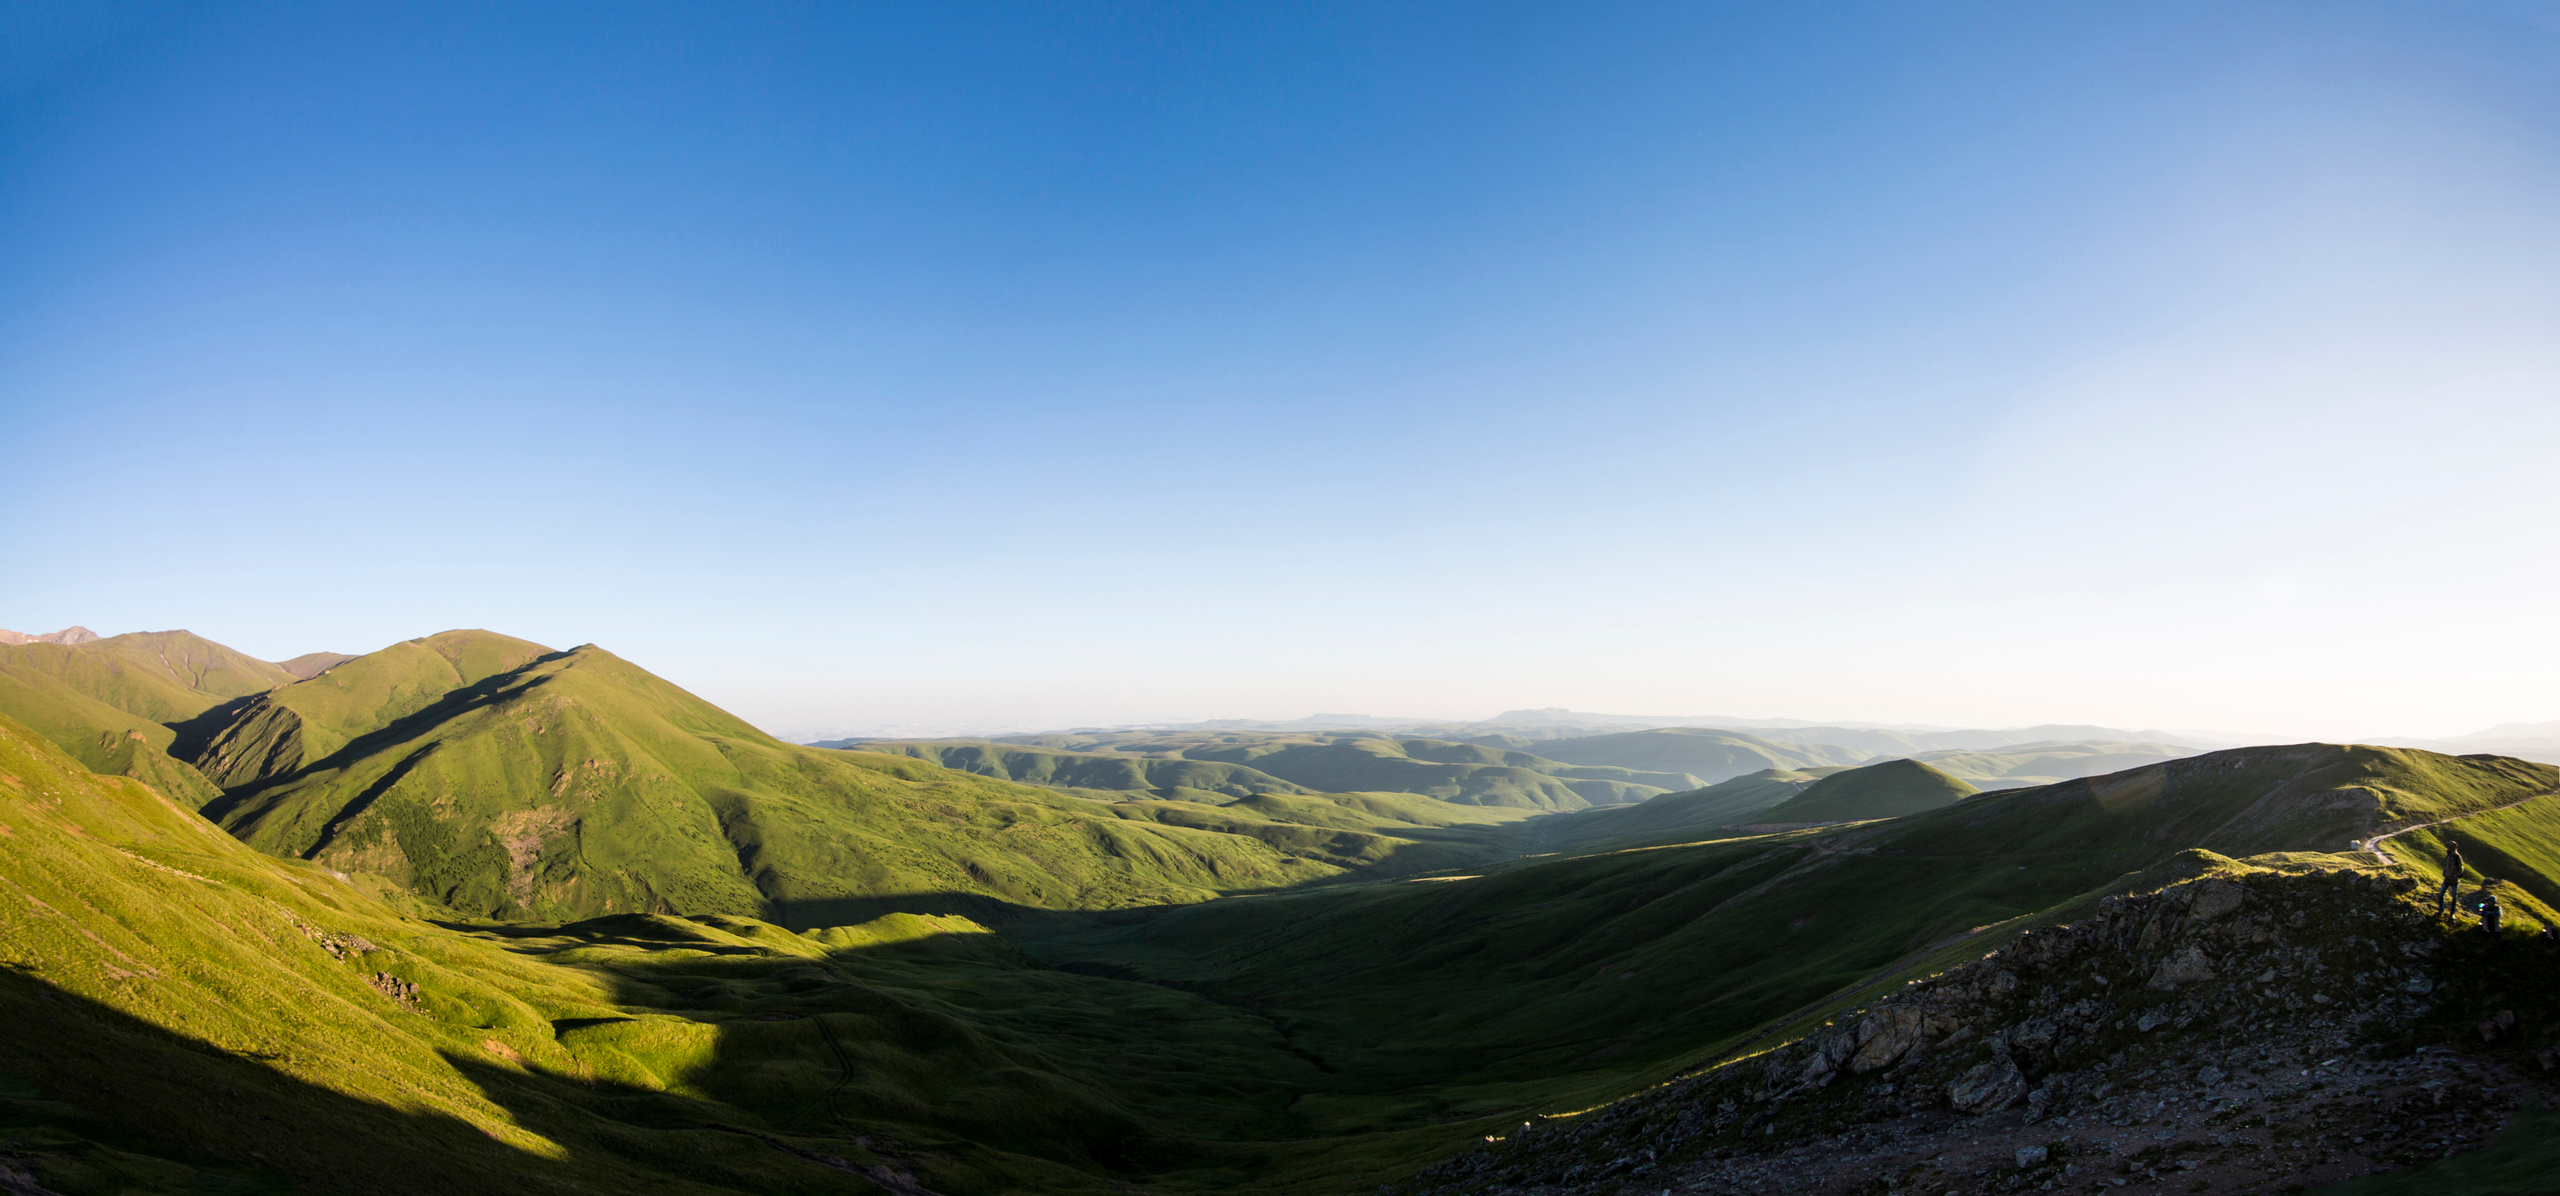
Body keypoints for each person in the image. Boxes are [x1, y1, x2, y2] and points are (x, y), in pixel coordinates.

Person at [2437, 838, 2466, 917]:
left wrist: (2455, 877)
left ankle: (2452, 914)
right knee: (2440, 895)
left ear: (2452, 848)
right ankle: (2441, 911)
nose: (2447, 849)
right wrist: (2444, 873)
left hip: (2454, 881)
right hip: (2447, 879)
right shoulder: (2448, 856)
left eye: (2449, 847)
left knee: (2454, 898)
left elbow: (2461, 869)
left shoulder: (2457, 857)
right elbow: (2446, 865)